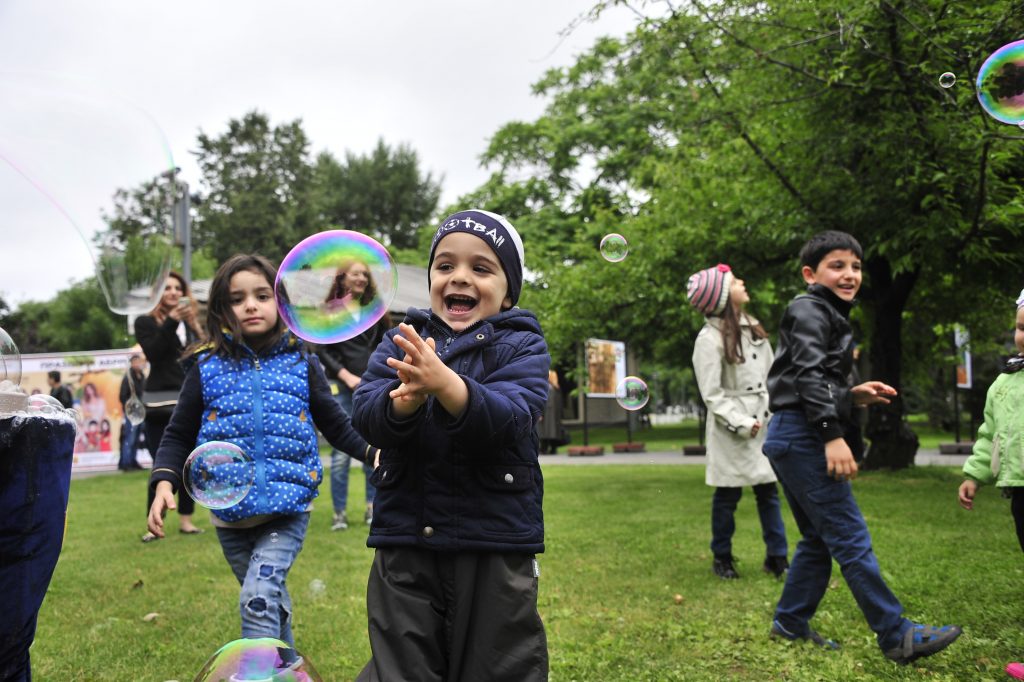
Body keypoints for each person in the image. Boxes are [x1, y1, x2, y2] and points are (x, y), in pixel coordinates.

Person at [351, 209, 550, 681]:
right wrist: (403, 402)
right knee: (401, 663)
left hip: (491, 543)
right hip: (405, 538)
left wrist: (446, 385)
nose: (459, 277)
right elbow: (366, 411)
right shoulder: (402, 340)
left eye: (481, 268)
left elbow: (510, 418)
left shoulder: (523, 345)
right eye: (445, 266)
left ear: (507, 293)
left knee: (496, 663)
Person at [147, 253, 375, 664]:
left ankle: (259, 674)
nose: (250, 305)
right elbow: (178, 433)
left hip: (287, 509)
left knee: (256, 596)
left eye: (261, 296)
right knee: (268, 601)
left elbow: (336, 424)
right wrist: (164, 480)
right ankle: (290, 670)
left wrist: (373, 452)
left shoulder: (302, 361)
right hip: (228, 514)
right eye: (237, 299)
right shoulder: (206, 366)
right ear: (221, 309)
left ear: (280, 303)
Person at [762, 230, 961, 665]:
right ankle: (896, 635)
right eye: (838, 266)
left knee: (817, 539)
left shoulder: (825, 312)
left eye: (855, 266)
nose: (850, 274)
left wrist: (852, 395)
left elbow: (807, 379)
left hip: (789, 434)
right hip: (804, 435)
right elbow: (809, 379)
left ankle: (789, 623)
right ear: (810, 273)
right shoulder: (810, 309)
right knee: (849, 537)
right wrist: (832, 433)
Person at [687, 263, 788, 580]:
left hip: (765, 420)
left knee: (768, 491)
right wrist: (742, 422)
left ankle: (778, 557)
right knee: (728, 495)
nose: (742, 282)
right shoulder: (709, 338)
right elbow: (712, 393)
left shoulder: (754, 327)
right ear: (721, 297)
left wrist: (776, 409)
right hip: (732, 428)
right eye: (734, 281)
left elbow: (773, 375)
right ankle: (722, 557)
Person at [957, 289, 1024, 681]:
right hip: (1020, 489)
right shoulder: (1004, 382)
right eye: (1020, 328)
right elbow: (989, 435)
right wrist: (974, 475)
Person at [315, 259, 390, 531]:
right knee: (341, 455)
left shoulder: (374, 311)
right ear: (342, 278)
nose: (361, 278)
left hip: (373, 386)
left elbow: (387, 343)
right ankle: (339, 513)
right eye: (356, 273)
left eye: (365, 275)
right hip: (344, 388)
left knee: (374, 446)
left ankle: (372, 508)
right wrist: (345, 375)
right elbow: (321, 349)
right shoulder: (330, 311)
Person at [135, 271, 205, 541]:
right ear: (158, 294)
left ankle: (186, 520)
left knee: (190, 462)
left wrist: (195, 327)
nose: (174, 292)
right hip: (159, 402)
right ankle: (154, 523)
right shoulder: (145, 322)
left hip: (187, 398)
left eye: (178, 288)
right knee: (162, 462)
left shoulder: (187, 325)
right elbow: (153, 352)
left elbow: (202, 355)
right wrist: (171, 321)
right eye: (168, 288)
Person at [118, 353, 146, 471]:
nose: (138, 364)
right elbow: (122, 396)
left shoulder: (142, 376)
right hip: (132, 413)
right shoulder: (128, 378)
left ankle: (133, 461)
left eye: (139, 362)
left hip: (141, 412)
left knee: (136, 438)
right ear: (132, 363)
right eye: (136, 362)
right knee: (130, 437)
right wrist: (130, 408)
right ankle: (126, 463)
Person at [538, 369, 566, 454]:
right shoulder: (557, 388)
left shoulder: (547, 387)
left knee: (545, 431)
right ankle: (553, 449)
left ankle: (544, 448)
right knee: (553, 431)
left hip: (548, 413)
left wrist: (540, 413)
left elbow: (544, 401)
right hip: (555, 415)